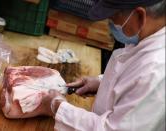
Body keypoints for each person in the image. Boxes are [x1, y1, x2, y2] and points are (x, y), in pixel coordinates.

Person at [35, 0, 166, 130]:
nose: (110, 25)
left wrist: (56, 107)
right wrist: (102, 83)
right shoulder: (146, 37)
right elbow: (132, 76)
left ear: (139, 16)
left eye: (113, 17)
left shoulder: (156, 70)